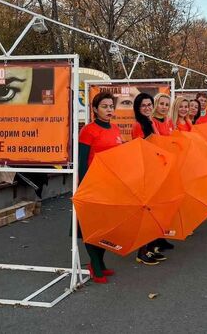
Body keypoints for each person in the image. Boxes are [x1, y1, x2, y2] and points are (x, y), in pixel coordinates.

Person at [78, 92, 123, 283]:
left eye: (111, 106)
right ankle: (95, 265)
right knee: (92, 227)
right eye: (104, 106)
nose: (109, 109)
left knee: (108, 227)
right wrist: (84, 186)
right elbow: (82, 162)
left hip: (112, 185)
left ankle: (100, 263)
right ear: (95, 109)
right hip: (94, 185)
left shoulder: (115, 128)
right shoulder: (88, 130)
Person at [131, 93, 170, 265]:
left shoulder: (151, 122)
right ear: (138, 108)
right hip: (146, 172)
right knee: (146, 213)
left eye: (149, 104)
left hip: (156, 170)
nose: (147, 108)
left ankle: (150, 247)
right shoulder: (138, 125)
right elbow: (140, 149)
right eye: (143, 105)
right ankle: (141, 252)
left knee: (155, 212)